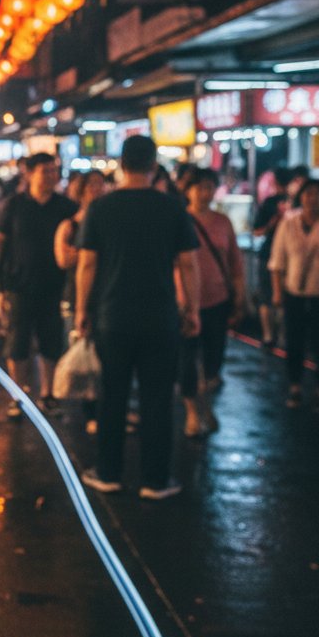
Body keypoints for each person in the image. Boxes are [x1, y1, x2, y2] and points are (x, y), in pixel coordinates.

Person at [74, 135, 201, 500]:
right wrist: (191, 308)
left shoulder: (100, 208)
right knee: (158, 399)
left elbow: (87, 265)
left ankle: (109, 473)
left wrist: (82, 311)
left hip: (112, 317)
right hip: (160, 317)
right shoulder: (172, 208)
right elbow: (188, 264)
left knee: (112, 395)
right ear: (153, 164)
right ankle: (155, 480)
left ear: (121, 164)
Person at [0, 153, 77, 419]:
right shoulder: (14, 205)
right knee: (18, 341)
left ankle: (48, 394)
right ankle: (19, 394)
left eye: (53, 170)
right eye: (45, 171)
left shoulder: (65, 207)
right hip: (19, 285)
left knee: (51, 340)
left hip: (53, 285)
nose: (50, 175)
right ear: (30, 174)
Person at [180, 168, 245, 437]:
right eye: (199, 187)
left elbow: (235, 263)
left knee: (213, 359)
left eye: (209, 187)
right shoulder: (179, 220)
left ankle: (206, 405)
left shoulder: (222, 222)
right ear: (188, 190)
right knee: (185, 360)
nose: (205, 193)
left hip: (217, 300)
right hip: (184, 302)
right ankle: (193, 413)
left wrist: (240, 297)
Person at [268, 178, 319, 413]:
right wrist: (277, 292)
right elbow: (277, 262)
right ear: (301, 197)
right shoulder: (289, 225)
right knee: (294, 342)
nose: (312, 198)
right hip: (293, 293)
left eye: (318, 194)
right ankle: (295, 386)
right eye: (308, 193)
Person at [54, 169, 108, 434]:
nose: (96, 189)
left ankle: (103, 409)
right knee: (83, 355)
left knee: (105, 356)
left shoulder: (111, 221)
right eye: (91, 185)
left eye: (100, 184)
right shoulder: (69, 225)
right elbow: (64, 259)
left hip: (107, 297)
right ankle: (89, 413)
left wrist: (84, 253)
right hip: (76, 297)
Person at [252, 167, 293, 348]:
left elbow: (257, 231)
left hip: (269, 255)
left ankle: (269, 336)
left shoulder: (269, 203)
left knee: (266, 298)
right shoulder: (296, 202)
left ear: (274, 181)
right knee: (285, 298)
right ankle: (284, 337)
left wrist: (270, 226)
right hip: (289, 257)